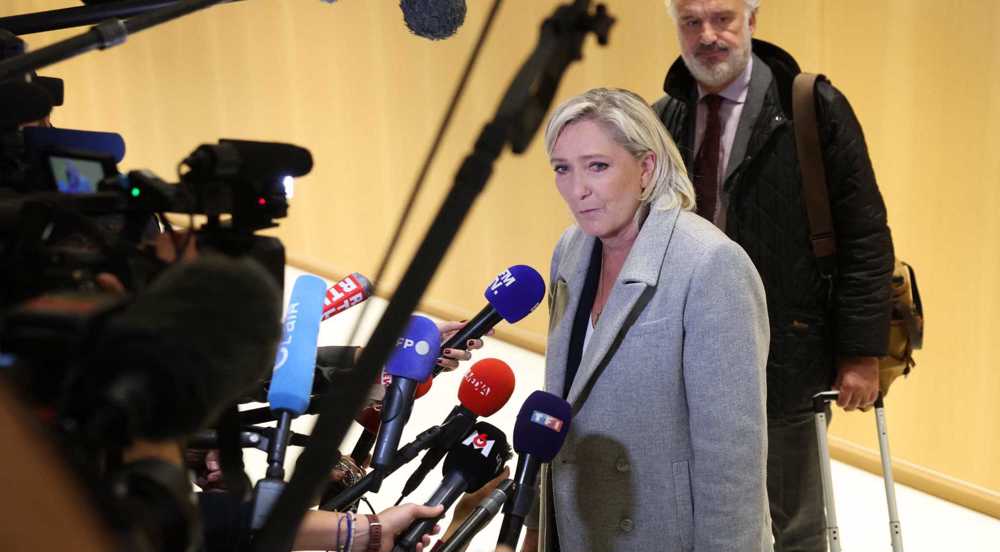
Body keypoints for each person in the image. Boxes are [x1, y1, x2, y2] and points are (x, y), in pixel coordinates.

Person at [654, 1, 895, 550]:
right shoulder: (664, 115)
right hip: (690, 350)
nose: (708, 36)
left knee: (793, 517)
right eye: (692, 22)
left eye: (723, 19)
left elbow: (865, 234)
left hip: (790, 352)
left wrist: (861, 353)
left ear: (752, 21)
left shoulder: (811, 106)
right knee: (703, 500)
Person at [524, 88, 770, 552]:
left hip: (661, 533)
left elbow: (732, 462)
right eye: (563, 169)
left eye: (597, 166)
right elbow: (561, 400)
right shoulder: (570, 250)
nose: (578, 189)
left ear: (646, 168)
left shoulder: (711, 265)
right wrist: (539, 525)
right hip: (579, 527)